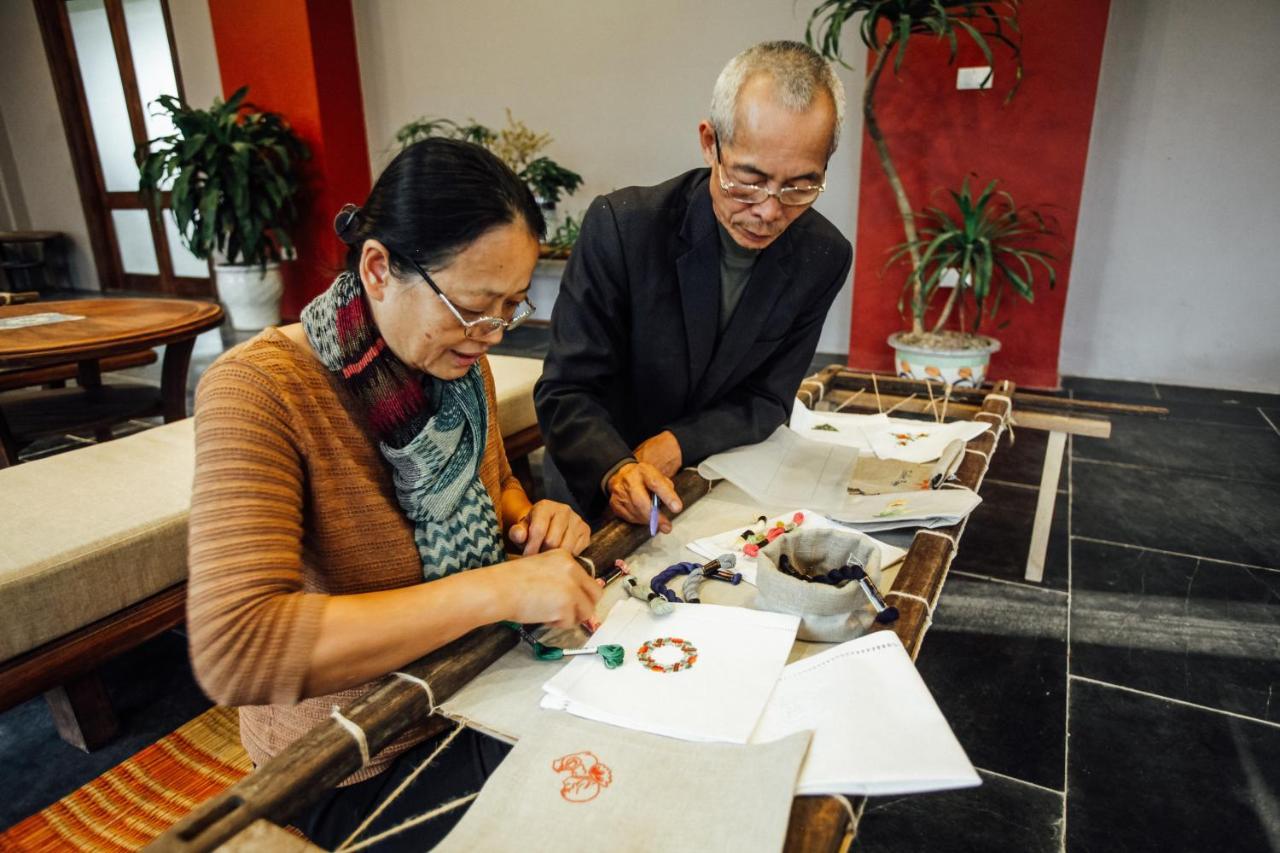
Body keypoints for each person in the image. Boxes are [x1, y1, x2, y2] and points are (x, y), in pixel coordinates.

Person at [186, 138, 599, 849]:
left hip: (473, 686)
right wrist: (502, 590)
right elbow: (238, 647)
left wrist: (531, 522)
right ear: (378, 268)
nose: (491, 335)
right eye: (474, 306)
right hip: (352, 762)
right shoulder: (259, 389)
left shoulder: (458, 368)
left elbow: (492, 485)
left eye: (510, 308)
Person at [535, 41, 853, 527]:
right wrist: (617, 469)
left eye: (800, 186)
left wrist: (679, 443)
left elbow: (768, 399)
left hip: (717, 474)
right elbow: (567, 390)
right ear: (710, 143)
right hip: (598, 480)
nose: (770, 210)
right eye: (749, 179)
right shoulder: (625, 227)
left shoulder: (823, 255)